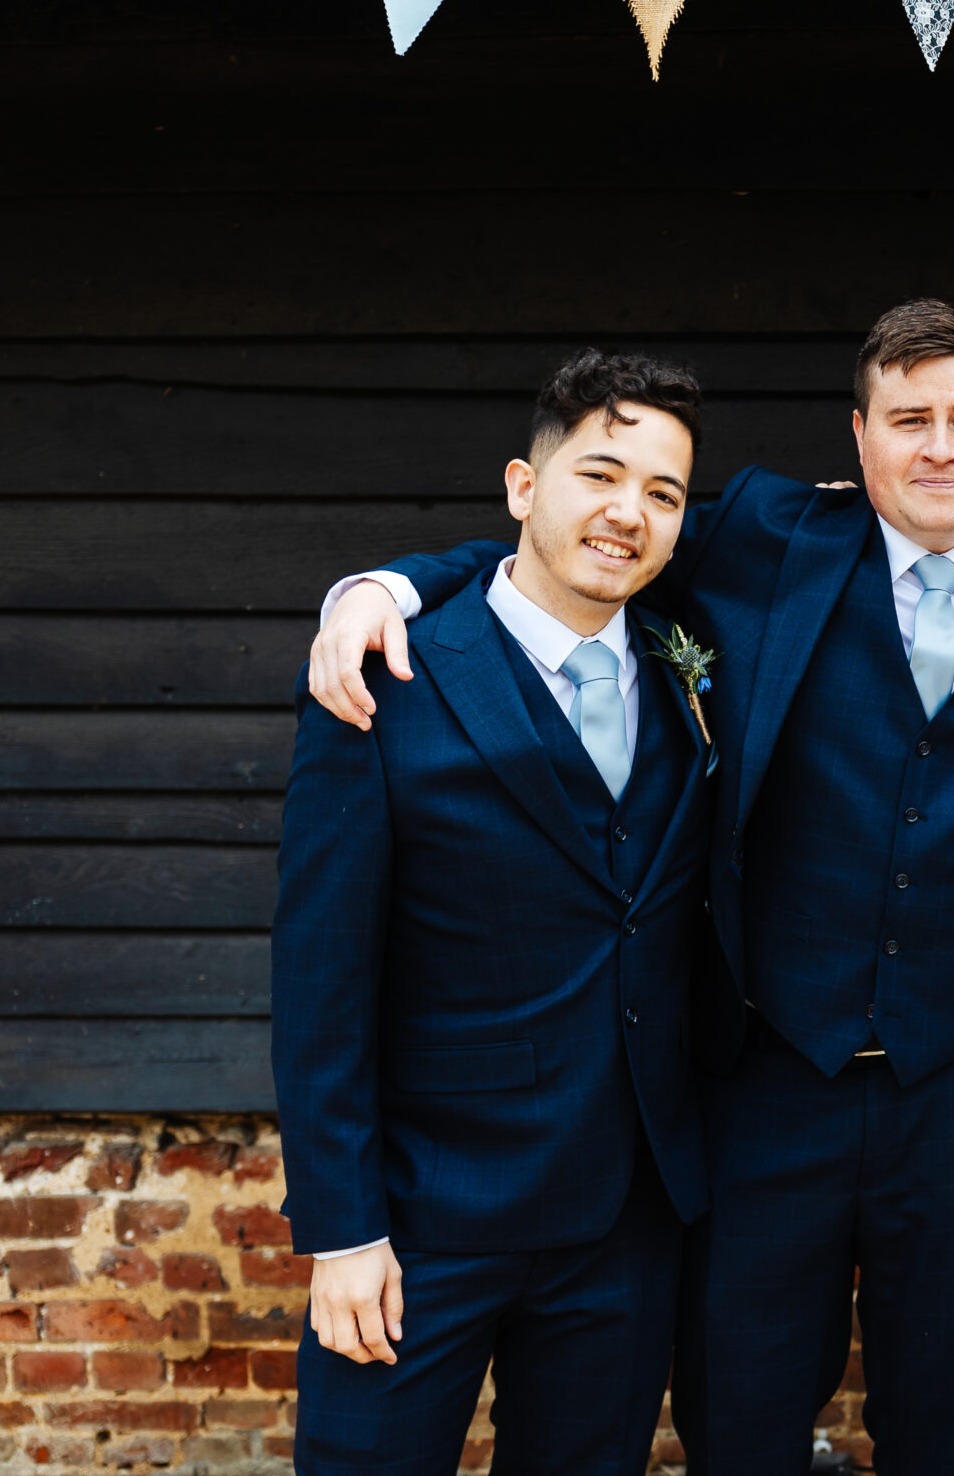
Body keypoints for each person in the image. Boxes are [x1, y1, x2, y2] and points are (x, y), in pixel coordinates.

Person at [301, 303, 954, 1476]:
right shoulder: (759, 535)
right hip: (764, 1086)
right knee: (737, 1425)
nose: (938, 447)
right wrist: (387, 587)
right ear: (859, 435)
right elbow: (575, 542)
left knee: (947, 1434)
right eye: (908, 420)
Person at [274, 350, 714, 1475]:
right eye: (599, 476)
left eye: (662, 493)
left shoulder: (693, 663)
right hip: (423, 1216)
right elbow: (322, 975)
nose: (628, 513)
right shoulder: (386, 673)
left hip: (623, 1220)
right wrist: (342, 1229)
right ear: (524, 485)